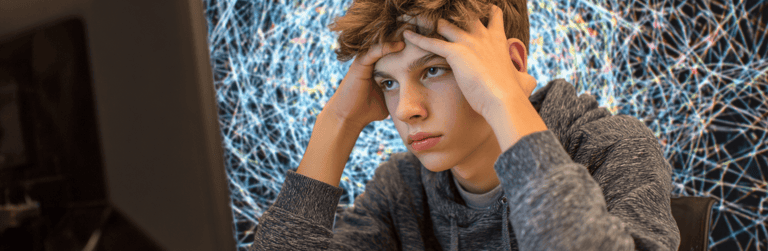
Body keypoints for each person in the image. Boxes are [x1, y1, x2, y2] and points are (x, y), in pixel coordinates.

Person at [252, 0, 681, 250]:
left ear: (508, 64)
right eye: (387, 82)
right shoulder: (401, 187)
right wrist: (337, 123)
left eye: (434, 70)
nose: (405, 109)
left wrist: (503, 98)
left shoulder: (613, 150)